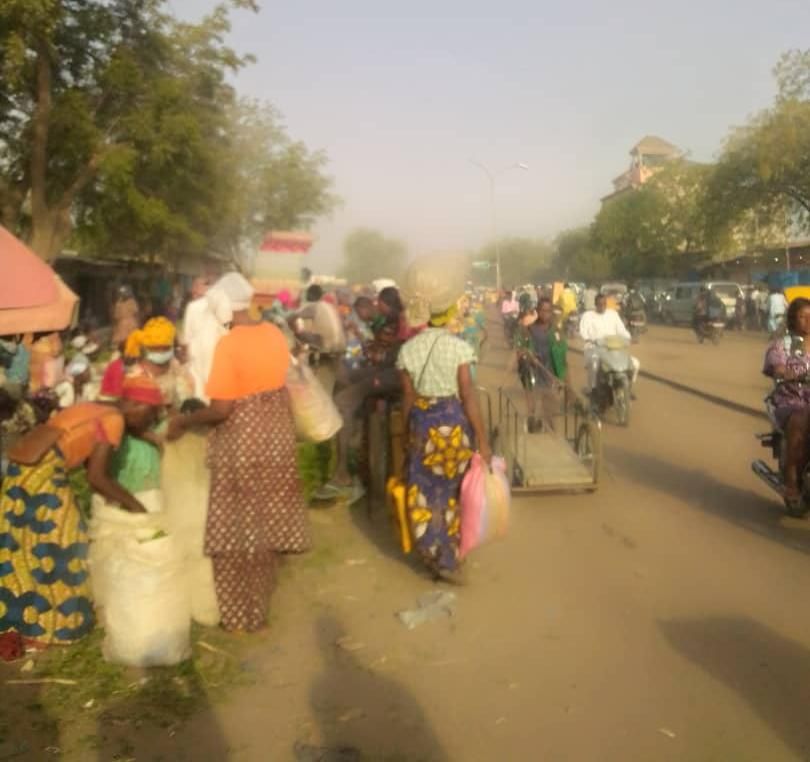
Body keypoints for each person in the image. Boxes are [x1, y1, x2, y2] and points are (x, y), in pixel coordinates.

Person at [167, 272, 309, 633]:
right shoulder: (274, 333)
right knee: (267, 523)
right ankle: (260, 605)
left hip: (242, 442)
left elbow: (221, 410)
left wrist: (184, 422)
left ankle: (241, 614)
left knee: (236, 529)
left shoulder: (229, 345)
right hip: (276, 438)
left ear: (223, 306)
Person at [0, 377, 164, 645]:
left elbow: (92, 467)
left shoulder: (99, 409)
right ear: (135, 405)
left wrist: (113, 501)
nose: (151, 421)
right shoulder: (114, 421)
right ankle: (61, 626)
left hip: (20, 471)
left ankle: (24, 623)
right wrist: (138, 509)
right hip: (41, 474)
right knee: (67, 545)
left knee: (24, 549)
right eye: (150, 415)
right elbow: (97, 478)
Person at [397, 258, 492, 582]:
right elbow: (469, 397)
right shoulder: (459, 348)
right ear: (449, 313)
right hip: (455, 426)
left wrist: (404, 440)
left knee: (426, 493)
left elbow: (407, 400)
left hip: (423, 428)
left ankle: (435, 555)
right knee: (455, 491)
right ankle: (452, 554)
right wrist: (482, 441)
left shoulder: (407, 350)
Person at [763, 297, 810, 508]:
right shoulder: (784, 344)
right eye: (802, 316)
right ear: (793, 319)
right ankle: (791, 480)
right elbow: (776, 365)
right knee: (799, 420)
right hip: (791, 398)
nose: (808, 321)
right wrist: (784, 371)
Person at [513, 298, 567, 433]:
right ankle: (532, 427)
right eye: (543, 310)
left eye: (548, 311)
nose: (545, 314)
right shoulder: (528, 329)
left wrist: (561, 374)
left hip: (549, 371)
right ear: (537, 311)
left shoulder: (556, 331)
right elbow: (519, 347)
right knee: (533, 408)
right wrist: (526, 353)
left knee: (550, 410)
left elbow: (562, 351)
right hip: (532, 372)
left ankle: (551, 434)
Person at [123, 316, 194, 409]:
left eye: (166, 348)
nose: (161, 352)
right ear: (146, 348)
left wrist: (184, 361)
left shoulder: (175, 367)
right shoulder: (136, 376)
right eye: (156, 348)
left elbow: (188, 392)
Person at [181, 276, 232, 402]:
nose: (194, 290)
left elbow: (187, 338)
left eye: (197, 286)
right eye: (194, 286)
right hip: (213, 352)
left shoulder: (193, 307)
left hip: (200, 353)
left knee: (200, 389)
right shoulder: (226, 305)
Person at [579, 294, 640, 396]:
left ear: (606, 304)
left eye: (604, 304)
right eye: (599, 304)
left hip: (614, 348)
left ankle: (628, 387)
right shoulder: (588, 316)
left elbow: (622, 330)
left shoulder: (613, 314)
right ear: (595, 304)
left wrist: (629, 338)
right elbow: (583, 331)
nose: (602, 306)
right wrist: (588, 339)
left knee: (636, 364)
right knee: (594, 365)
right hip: (594, 348)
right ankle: (592, 389)